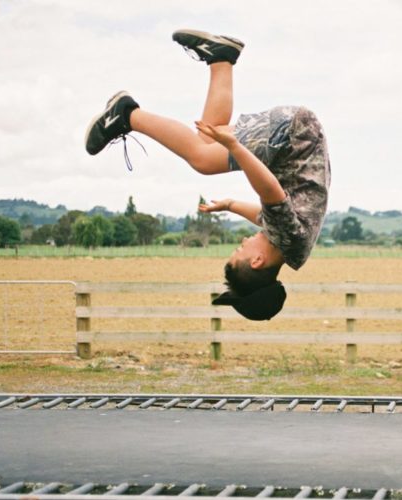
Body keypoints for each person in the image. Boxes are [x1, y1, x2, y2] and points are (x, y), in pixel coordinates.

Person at [84, 29, 331, 320]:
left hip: (298, 137)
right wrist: (235, 147)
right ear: (257, 260)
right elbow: (270, 191)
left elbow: (265, 215)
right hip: (293, 136)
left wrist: (229, 205)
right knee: (202, 159)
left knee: (206, 139)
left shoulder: (291, 250)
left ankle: (221, 59)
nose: (241, 243)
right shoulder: (287, 237)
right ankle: (126, 115)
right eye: (240, 250)